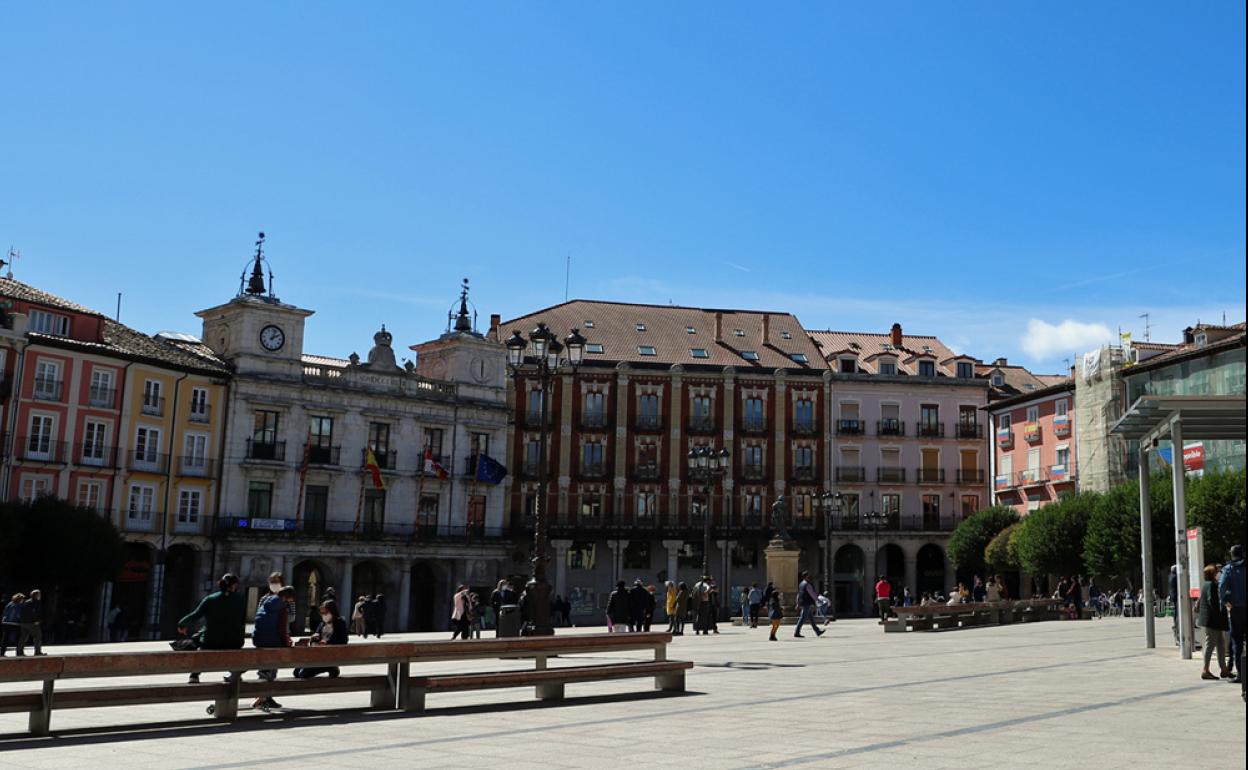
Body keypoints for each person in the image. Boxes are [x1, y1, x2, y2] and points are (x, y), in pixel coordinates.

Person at [178, 574, 247, 685]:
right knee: (234, 650)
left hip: (211, 641)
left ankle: (194, 675)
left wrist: (182, 624)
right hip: (234, 642)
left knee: (202, 646)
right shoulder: (240, 600)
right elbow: (242, 621)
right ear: (234, 585)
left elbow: (196, 614)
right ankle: (235, 674)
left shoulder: (211, 599)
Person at [251, 585, 296, 710]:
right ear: (286, 597)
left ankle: (262, 697)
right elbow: (282, 629)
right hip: (273, 642)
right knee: (271, 671)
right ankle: (263, 698)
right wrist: (286, 643)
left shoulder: (265, 603)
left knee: (264, 670)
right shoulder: (282, 608)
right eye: (291, 600)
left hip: (259, 640)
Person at [294, 600, 349, 679]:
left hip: (330, 655)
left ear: (332, 612)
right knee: (296, 673)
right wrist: (314, 638)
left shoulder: (340, 623)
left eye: (326, 613)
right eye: (322, 613)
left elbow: (343, 640)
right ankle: (329, 667)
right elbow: (316, 637)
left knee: (302, 674)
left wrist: (326, 642)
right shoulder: (321, 624)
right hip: (317, 654)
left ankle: (330, 667)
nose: (324, 615)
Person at [1197, 564, 1229, 681]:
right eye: (1216, 571)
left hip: (1213, 620)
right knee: (1210, 644)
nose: (1218, 573)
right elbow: (1212, 600)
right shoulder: (1211, 585)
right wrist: (1219, 611)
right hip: (1212, 620)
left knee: (1220, 643)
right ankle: (1205, 670)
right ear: (1213, 573)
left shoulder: (1206, 584)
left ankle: (1224, 669)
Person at [1219, 545, 1245, 684]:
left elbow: (1222, 586)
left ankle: (1241, 674)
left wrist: (1223, 601)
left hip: (1236, 609)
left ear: (1231, 555)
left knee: (1237, 641)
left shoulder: (1228, 569)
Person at [793, 571, 824, 638]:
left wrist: (797, 603)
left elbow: (799, 594)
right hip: (807, 603)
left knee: (811, 618)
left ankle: (817, 631)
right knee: (802, 618)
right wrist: (817, 599)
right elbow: (812, 593)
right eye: (808, 576)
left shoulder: (801, 584)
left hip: (803, 602)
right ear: (806, 576)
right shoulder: (807, 584)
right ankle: (797, 632)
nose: (809, 577)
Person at [18, 590, 45, 656]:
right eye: (39, 594)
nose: (40, 596)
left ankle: (19, 652)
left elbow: (22, 612)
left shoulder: (26, 602)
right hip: (31, 623)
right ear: (36, 595)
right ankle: (38, 652)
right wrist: (36, 620)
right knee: (38, 636)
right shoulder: (35, 602)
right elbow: (34, 612)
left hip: (23, 623)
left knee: (23, 637)